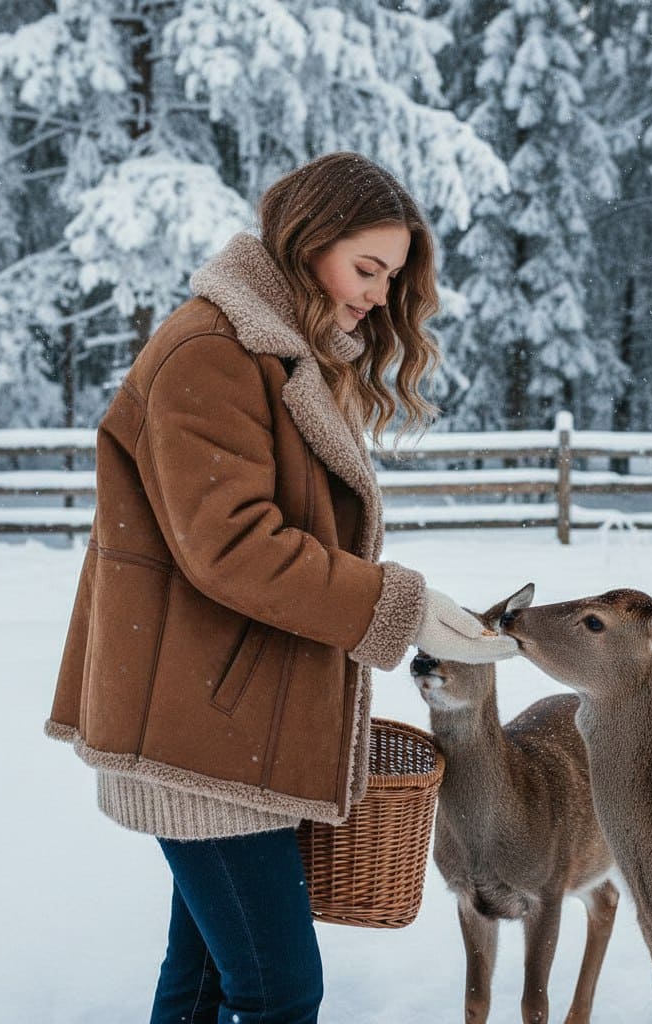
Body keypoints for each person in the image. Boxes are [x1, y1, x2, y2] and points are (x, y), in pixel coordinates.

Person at [45, 151, 518, 1024]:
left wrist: (397, 605)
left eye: (392, 276)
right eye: (366, 268)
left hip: (230, 720)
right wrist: (399, 607)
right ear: (306, 243)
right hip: (201, 728)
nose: (378, 296)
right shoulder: (210, 353)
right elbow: (232, 546)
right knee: (278, 990)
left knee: (208, 984)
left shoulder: (275, 352)